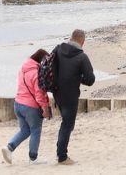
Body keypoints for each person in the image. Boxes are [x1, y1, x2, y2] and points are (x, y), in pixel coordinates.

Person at [2, 49, 53, 165]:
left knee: (25, 130)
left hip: (18, 104)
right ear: (42, 60)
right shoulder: (36, 73)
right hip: (31, 107)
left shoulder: (23, 69)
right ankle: (33, 158)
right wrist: (44, 108)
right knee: (36, 130)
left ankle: (9, 148)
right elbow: (39, 93)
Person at [53, 29, 95, 166]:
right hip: (71, 96)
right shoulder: (82, 57)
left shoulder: (58, 49)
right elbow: (90, 80)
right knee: (67, 125)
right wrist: (78, 78)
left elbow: (51, 67)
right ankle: (62, 157)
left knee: (65, 123)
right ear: (82, 41)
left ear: (71, 38)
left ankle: (60, 151)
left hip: (57, 93)